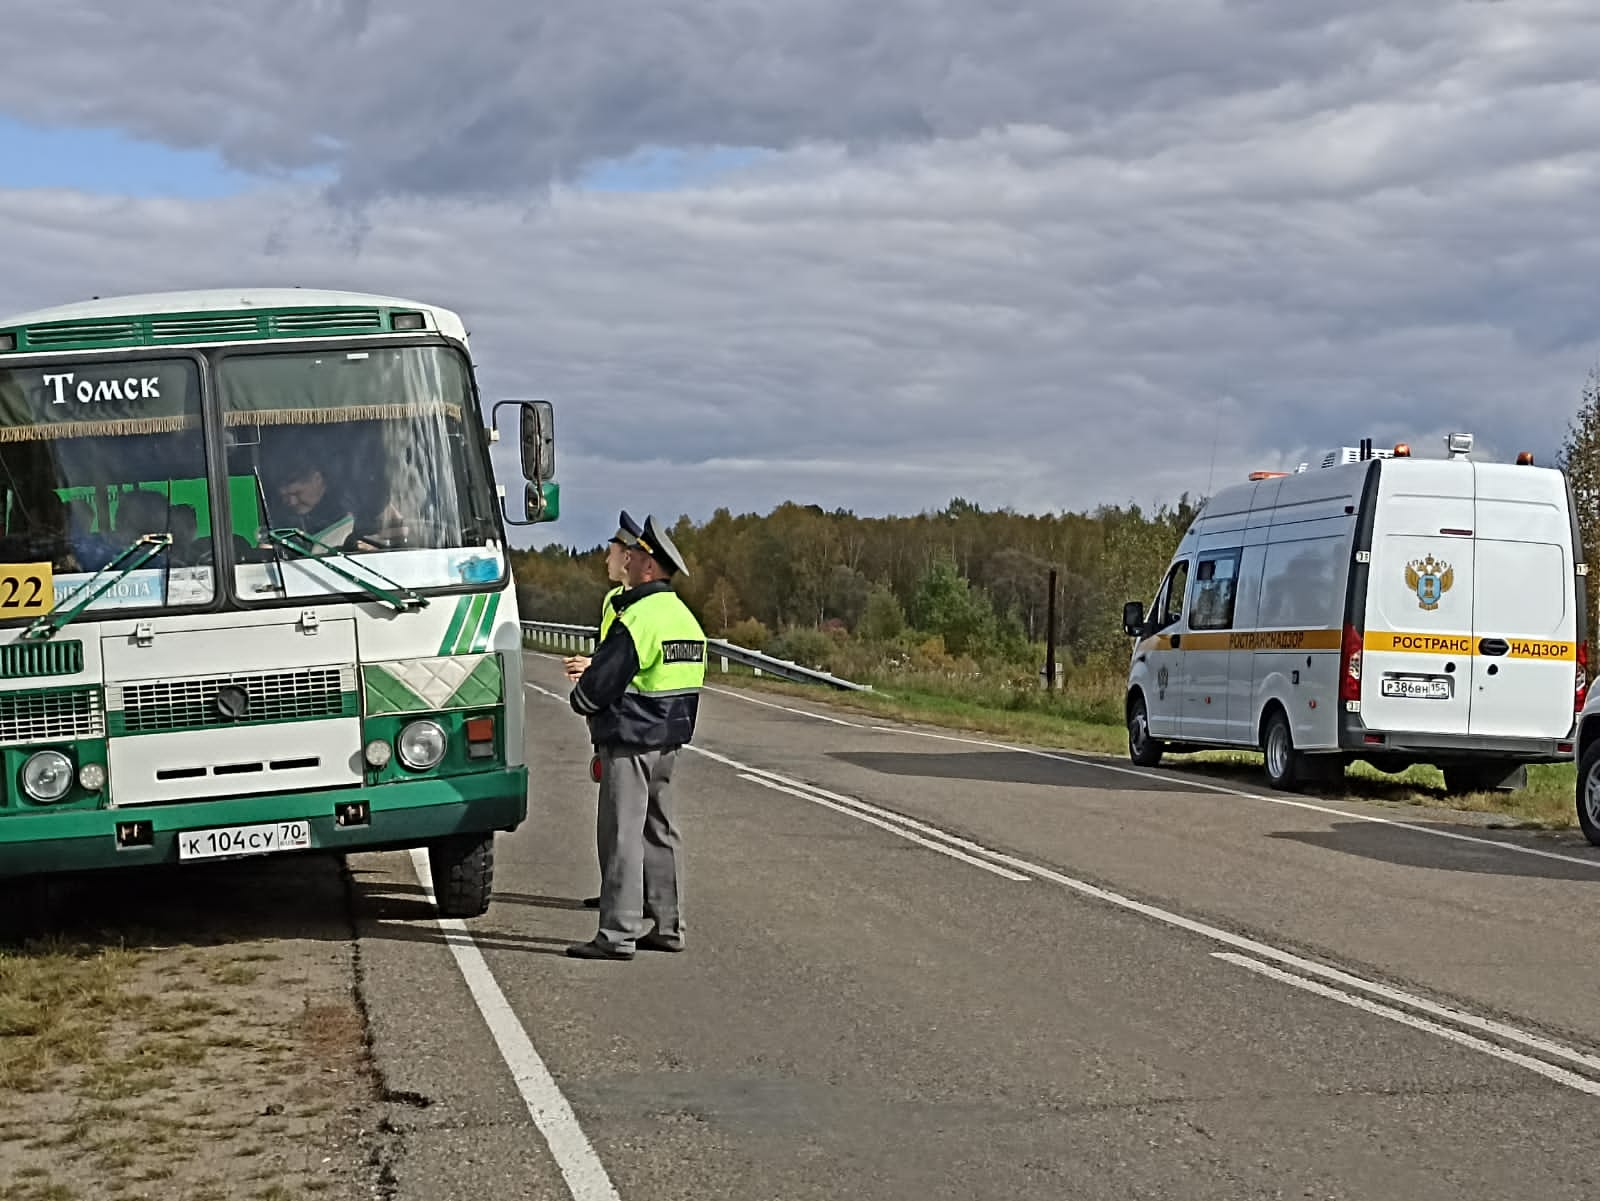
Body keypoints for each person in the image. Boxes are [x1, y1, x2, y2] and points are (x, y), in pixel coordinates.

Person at [565, 515, 706, 960]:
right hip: (669, 739)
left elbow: (600, 684)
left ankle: (617, 933)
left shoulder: (638, 617)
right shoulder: (681, 615)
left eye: (634, 557)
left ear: (647, 566)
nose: (625, 561)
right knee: (660, 831)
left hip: (631, 736)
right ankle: (668, 926)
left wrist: (581, 700)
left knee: (621, 833)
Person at [564, 508, 645, 911]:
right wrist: (592, 665)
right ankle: (616, 890)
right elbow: (610, 654)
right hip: (617, 713)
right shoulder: (613, 599)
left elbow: (629, 658)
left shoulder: (637, 606)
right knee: (617, 816)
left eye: (611, 550)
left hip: (628, 717)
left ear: (629, 555)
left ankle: (624, 902)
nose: (605, 558)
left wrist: (592, 673)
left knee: (624, 818)